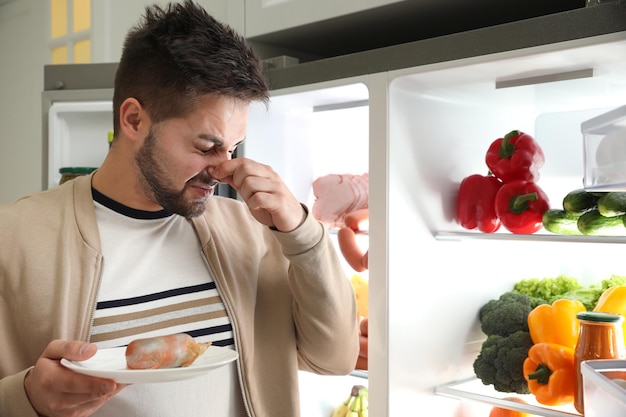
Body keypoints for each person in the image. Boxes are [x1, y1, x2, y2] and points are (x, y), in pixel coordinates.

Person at [0, 1, 359, 416]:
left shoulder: (249, 231)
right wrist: (25, 397)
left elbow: (333, 358)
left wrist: (302, 233)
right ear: (133, 120)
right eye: (207, 147)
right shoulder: (15, 239)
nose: (223, 168)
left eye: (233, 148)